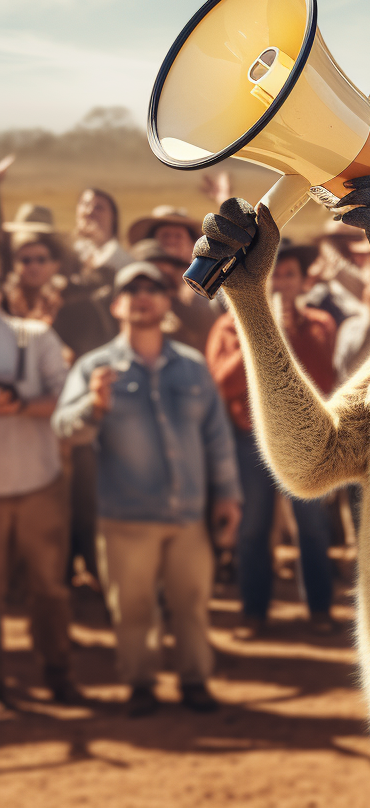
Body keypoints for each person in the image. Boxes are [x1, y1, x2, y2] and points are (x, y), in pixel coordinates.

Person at [52, 262, 241, 716]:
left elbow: (216, 438)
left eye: (152, 288)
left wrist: (229, 496)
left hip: (189, 516)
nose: (142, 296)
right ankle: (141, 684)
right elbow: (63, 429)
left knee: (193, 605)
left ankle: (195, 681)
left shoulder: (193, 368)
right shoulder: (94, 368)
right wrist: (93, 406)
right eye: (130, 288)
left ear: (165, 302)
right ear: (117, 305)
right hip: (125, 518)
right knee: (132, 610)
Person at [206, 240, 338, 638]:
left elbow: (324, 380)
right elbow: (223, 384)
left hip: (304, 437)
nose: (279, 283)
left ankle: (320, 610)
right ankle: (254, 612)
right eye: (273, 275)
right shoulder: (228, 326)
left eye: (288, 275)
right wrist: (261, 331)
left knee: (313, 529)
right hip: (251, 442)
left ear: (303, 283)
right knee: (252, 529)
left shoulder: (319, 324)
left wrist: (290, 330)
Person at [0, 308, 78, 707]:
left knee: (48, 588)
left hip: (39, 485)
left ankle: (58, 672)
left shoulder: (34, 336)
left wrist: (19, 405)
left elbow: (67, 398)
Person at [73, 188, 132, 280]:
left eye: (98, 207)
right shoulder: (70, 249)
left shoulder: (123, 259)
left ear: (113, 217)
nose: (90, 211)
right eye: (85, 204)